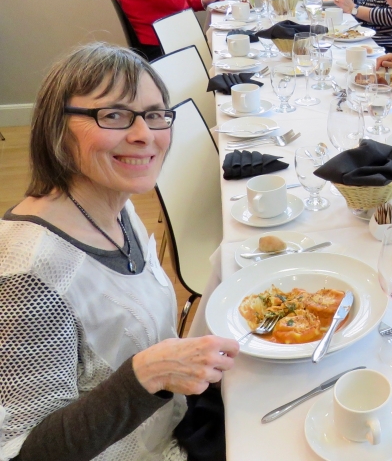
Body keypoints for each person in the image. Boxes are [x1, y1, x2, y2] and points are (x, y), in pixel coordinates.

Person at [0, 44, 239, 460]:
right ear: (57, 128)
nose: (144, 134)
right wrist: (145, 377)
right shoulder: (29, 275)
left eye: (154, 114)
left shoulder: (115, 202)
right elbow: (26, 453)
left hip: (175, 418)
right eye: (112, 115)